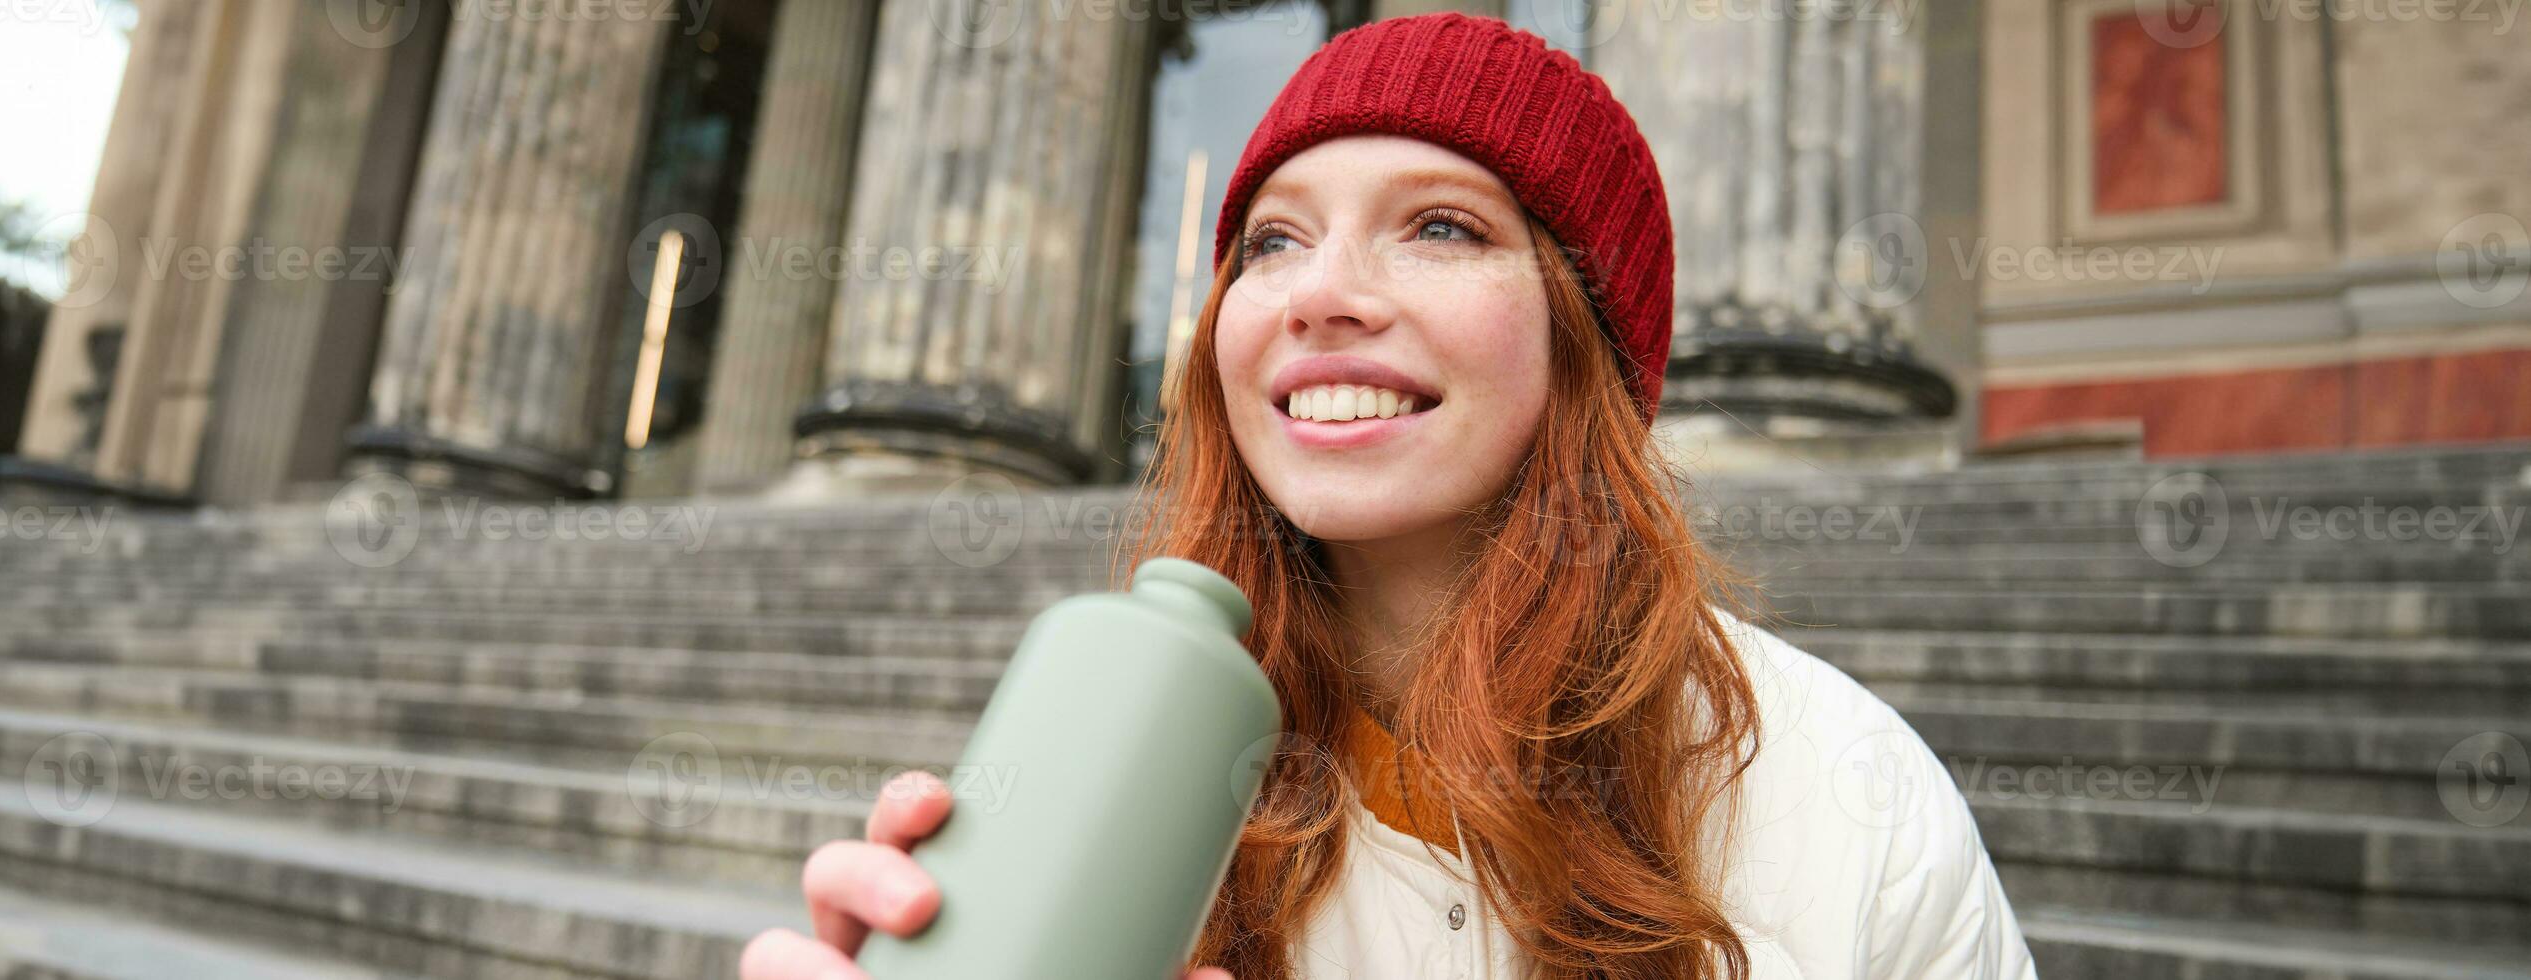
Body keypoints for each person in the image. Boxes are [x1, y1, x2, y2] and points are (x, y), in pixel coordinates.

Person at [742, 13, 2035, 980]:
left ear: (1582, 336)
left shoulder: (1845, 789)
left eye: (1442, 227)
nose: (1318, 294)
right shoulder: (1109, 751)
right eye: (1273, 242)